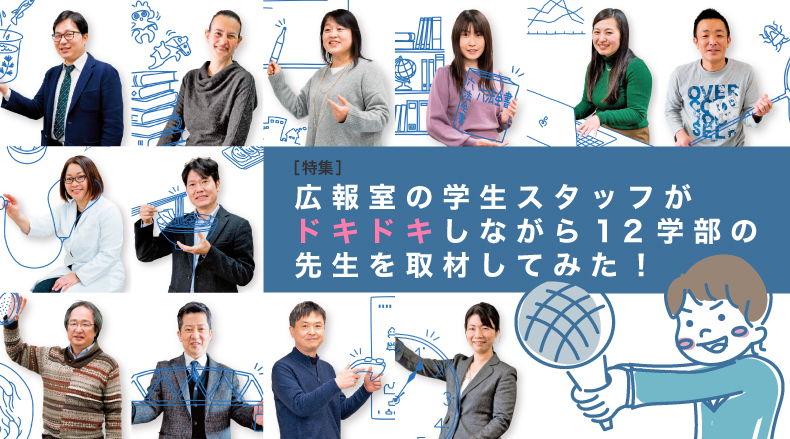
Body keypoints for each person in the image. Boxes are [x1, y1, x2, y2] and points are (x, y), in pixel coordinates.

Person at [572, 255, 782, 438]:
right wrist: (615, 387)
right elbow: (692, 378)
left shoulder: (758, 373)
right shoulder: (713, 374)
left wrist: (626, 386)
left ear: (757, 331)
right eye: (689, 322)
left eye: (720, 316)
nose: (705, 332)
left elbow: (691, 383)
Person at [132, 302, 263, 437]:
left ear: (210, 334)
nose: (195, 336)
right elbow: (151, 406)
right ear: (179, 335)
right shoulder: (164, 369)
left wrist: (255, 414)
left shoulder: (227, 374)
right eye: (188, 329)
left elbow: (238, 409)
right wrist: (131, 410)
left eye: (201, 329)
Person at [2, 155, 125, 292]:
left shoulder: (108, 210)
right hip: (73, 269)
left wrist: (78, 276)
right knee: (39, 290)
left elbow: (109, 255)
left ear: (92, 178)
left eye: (80, 177)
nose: (74, 183)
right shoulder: (65, 209)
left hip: (104, 274)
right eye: (69, 179)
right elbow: (41, 227)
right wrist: (16, 216)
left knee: (63, 295)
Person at [4, 296, 121, 438]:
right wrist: (11, 323)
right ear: (67, 327)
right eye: (73, 323)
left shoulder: (108, 364)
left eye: (85, 324)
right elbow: (17, 352)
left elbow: (113, 414)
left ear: (96, 330)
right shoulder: (49, 357)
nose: (78, 329)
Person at [267, 9, 389, 146]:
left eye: (340, 28)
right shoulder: (319, 75)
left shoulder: (367, 70)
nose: (333, 34)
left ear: (354, 35)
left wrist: (349, 116)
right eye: (327, 30)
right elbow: (298, 109)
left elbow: (382, 117)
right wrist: (277, 79)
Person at [395, 303, 517, 439]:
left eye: (485, 328)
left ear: (496, 332)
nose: (478, 334)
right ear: (466, 331)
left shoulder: (504, 373)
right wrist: (392, 343)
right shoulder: (457, 364)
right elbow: (419, 364)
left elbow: (501, 420)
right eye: (472, 328)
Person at [0, 11, 123, 146]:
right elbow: (36, 109)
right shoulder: (51, 74)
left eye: (69, 34)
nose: (62, 41)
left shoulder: (105, 73)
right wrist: (4, 89)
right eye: (58, 36)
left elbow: (113, 128)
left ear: (85, 37)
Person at [134, 157, 254, 292]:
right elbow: (146, 254)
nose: (199, 189)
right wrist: (146, 222)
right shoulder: (179, 223)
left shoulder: (238, 225)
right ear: (187, 190)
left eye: (205, 181)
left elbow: (245, 275)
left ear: (218, 184)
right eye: (192, 184)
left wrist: (209, 253)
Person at [272, 301, 383, 439]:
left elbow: (341, 411)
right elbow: (300, 406)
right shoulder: (282, 368)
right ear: (292, 331)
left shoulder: (327, 368)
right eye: (305, 326)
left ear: (324, 329)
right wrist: (336, 383)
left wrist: (365, 389)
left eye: (317, 326)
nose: (312, 332)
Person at [666, 9, 773, 146]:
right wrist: (679, 133)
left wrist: (757, 113)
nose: (713, 41)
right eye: (705, 36)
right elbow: (671, 110)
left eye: (719, 35)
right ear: (696, 42)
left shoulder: (745, 72)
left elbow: (749, 116)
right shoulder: (680, 74)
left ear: (728, 41)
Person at [156, 11, 257, 146]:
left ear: (238, 42)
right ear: (207, 36)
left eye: (231, 36)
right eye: (218, 33)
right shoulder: (190, 78)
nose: (223, 41)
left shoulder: (243, 80)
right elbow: (174, 126)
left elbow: (235, 140)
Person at [426, 10, 518, 147]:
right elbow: (434, 124)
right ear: (456, 38)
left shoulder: (497, 76)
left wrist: (504, 119)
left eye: (478, 35)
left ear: (486, 39)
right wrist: (472, 142)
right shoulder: (444, 75)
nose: (472, 42)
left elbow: (497, 124)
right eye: (465, 35)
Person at [574, 9, 652, 144]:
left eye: (609, 32)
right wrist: (566, 115)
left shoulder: (637, 67)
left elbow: (637, 113)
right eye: (597, 32)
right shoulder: (593, 66)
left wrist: (600, 117)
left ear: (623, 35)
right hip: (601, 131)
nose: (601, 38)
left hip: (630, 136)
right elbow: (588, 103)